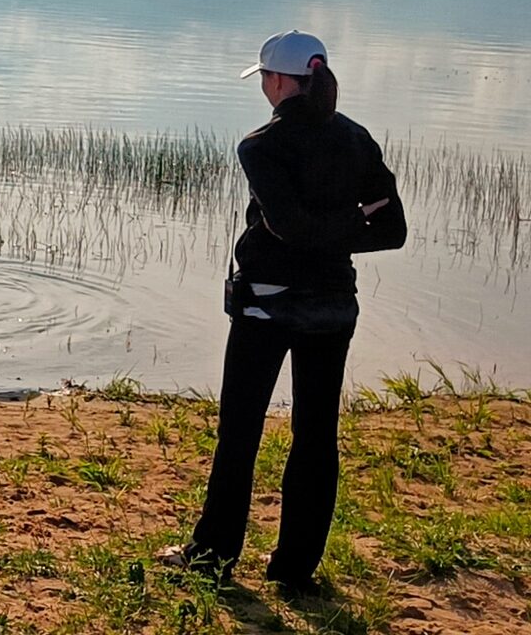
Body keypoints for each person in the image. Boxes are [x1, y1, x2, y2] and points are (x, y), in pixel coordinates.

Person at [163, 30, 406, 597]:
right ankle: (296, 568)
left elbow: (292, 227)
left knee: (240, 432)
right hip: (332, 306)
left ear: (276, 82)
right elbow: (389, 230)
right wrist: (351, 222)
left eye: (265, 78)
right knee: (317, 435)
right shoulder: (356, 139)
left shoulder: (260, 146)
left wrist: (307, 230)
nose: (265, 87)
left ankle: (213, 555)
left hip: (265, 304)